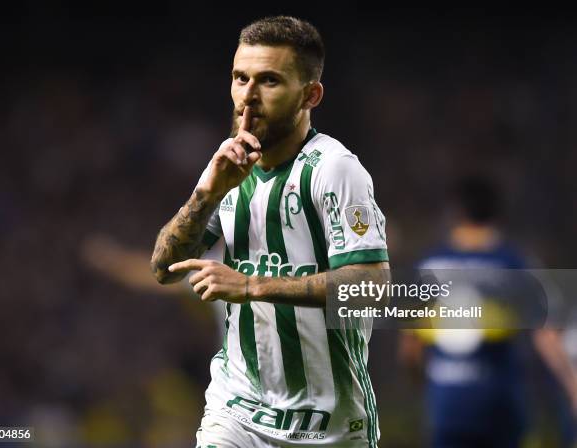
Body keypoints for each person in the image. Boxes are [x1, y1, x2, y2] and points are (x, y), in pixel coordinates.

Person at [150, 16, 389, 448]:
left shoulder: (334, 168)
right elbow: (164, 268)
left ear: (310, 94)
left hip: (329, 424)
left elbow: (372, 285)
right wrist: (205, 194)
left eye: (269, 81)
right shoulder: (229, 170)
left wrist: (251, 285)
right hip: (238, 410)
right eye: (240, 78)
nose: (248, 96)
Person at [399, 176, 577, 448]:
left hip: (448, 403)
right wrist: (572, 385)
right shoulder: (513, 262)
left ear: (455, 214)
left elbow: (410, 344)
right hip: (500, 401)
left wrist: (424, 384)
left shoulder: (428, 265)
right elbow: (547, 334)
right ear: (498, 215)